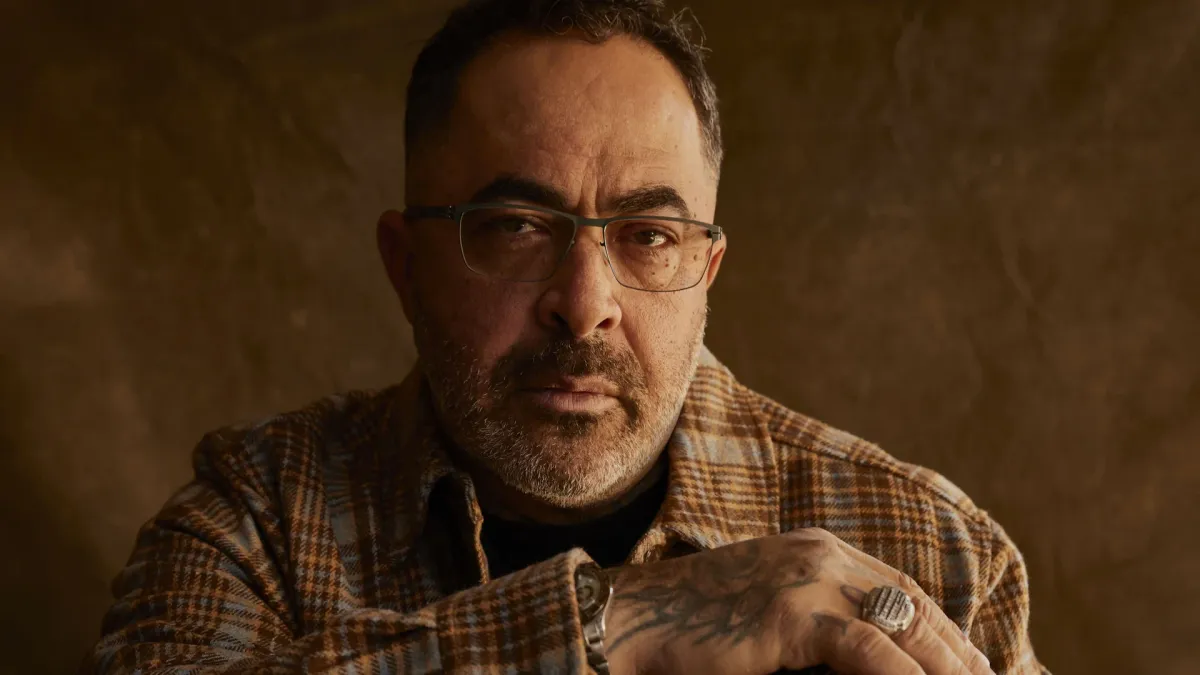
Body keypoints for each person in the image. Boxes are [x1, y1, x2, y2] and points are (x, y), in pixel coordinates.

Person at [84, 0, 1048, 673]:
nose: (584, 305)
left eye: (649, 236)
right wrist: (627, 619)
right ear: (405, 265)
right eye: (517, 227)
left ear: (707, 271)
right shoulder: (254, 521)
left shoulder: (937, 553)